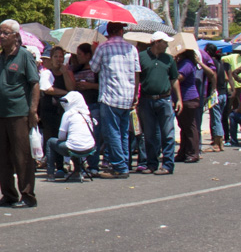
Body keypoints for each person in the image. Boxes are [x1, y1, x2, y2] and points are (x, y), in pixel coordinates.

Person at [0, 21, 40, 207]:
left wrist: (33, 110)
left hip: (19, 113)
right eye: (0, 33)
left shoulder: (24, 55)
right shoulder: (2, 56)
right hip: (2, 112)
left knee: (22, 157)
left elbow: (34, 83)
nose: (2, 36)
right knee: (2, 157)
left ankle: (27, 195)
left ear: (15, 36)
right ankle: (8, 194)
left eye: (6, 33)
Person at [87, 21, 140, 178]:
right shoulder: (132, 48)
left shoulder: (103, 47)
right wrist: (135, 94)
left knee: (112, 132)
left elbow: (94, 68)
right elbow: (137, 73)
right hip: (127, 95)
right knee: (123, 132)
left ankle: (119, 167)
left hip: (110, 96)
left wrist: (94, 50)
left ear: (109, 32)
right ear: (120, 31)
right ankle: (124, 163)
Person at [137, 34, 179, 176]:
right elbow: (137, 78)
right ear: (157, 42)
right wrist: (135, 98)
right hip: (146, 100)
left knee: (168, 133)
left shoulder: (168, 59)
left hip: (164, 100)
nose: (167, 45)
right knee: (149, 135)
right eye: (165, 42)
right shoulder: (141, 57)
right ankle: (151, 164)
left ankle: (167, 164)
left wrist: (178, 99)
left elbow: (174, 79)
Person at [46, 91, 99, 182]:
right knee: (74, 142)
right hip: (90, 148)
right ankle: (77, 172)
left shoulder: (68, 114)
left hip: (73, 148)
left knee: (50, 142)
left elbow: (61, 137)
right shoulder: (87, 115)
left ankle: (50, 174)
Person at [175, 48, 209, 164]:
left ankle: (193, 152)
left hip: (188, 98)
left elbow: (180, 77)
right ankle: (184, 151)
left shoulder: (187, 63)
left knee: (190, 127)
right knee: (184, 127)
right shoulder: (182, 62)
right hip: (184, 98)